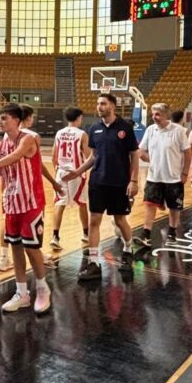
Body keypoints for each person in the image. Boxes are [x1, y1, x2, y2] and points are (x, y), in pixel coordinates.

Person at [0, 104, 55, 314]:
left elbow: (16, 156)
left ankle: (43, 289)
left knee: (31, 249)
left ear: (16, 120)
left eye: (4, 118)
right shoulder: (1, 145)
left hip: (31, 202)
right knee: (15, 247)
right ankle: (22, 293)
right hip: (11, 203)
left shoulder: (28, 139)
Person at [60, 92, 140, 280]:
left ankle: (128, 249)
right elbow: (93, 156)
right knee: (94, 220)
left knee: (120, 220)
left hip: (119, 182)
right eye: (98, 104)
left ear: (112, 106)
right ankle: (94, 263)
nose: (99, 107)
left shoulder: (125, 128)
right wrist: (77, 172)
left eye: (103, 103)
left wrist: (134, 180)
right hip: (97, 182)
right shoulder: (94, 128)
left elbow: (134, 155)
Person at [136, 103, 191, 247]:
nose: (154, 117)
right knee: (150, 205)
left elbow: (187, 153)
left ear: (166, 115)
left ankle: (172, 232)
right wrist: (142, 157)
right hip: (154, 177)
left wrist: (185, 172)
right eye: (153, 114)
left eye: (158, 114)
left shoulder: (178, 131)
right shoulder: (150, 130)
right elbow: (141, 150)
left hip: (173, 177)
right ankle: (146, 234)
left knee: (174, 207)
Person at [50, 106, 90, 251]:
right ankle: (86, 234)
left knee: (59, 203)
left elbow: (54, 155)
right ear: (79, 118)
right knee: (82, 203)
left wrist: (57, 169)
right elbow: (88, 156)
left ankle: (55, 237)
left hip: (61, 172)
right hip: (76, 172)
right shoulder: (82, 134)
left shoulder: (59, 133)